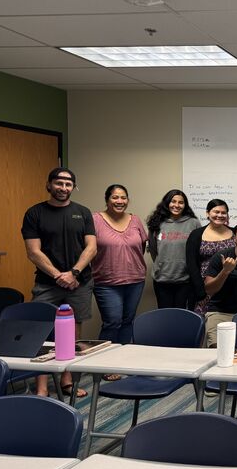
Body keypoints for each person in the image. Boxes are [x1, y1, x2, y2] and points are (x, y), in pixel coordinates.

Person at [21, 167, 97, 398]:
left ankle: (66, 380)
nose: (63, 188)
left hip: (79, 282)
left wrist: (73, 273)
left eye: (68, 184)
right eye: (59, 183)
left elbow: (91, 247)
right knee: (42, 333)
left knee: (72, 333)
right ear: (49, 184)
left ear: (73, 187)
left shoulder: (83, 212)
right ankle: (42, 387)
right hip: (47, 283)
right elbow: (33, 252)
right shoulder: (34, 213)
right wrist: (58, 275)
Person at [91, 184, 148, 351]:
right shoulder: (95, 220)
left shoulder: (135, 220)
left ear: (128, 200)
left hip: (135, 280)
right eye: (115, 197)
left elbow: (141, 246)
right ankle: (103, 360)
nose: (119, 201)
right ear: (107, 200)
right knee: (112, 322)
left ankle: (122, 358)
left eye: (123, 197)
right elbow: (87, 248)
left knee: (128, 321)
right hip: (106, 282)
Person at [146, 189, 200, 309]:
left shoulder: (193, 223)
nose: (177, 205)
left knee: (181, 314)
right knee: (165, 314)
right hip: (162, 279)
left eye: (181, 202)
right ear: (167, 203)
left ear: (185, 205)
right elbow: (154, 250)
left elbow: (197, 251)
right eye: (173, 201)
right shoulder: (157, 223)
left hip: (185, 280)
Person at [186, 199, 234, 317]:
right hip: (205, 289)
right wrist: (200, 293)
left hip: (230, 287)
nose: (220, 215)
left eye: (223, 212)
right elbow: (191, 265)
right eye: (216, 212)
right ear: (208, 213)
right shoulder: (196, 234)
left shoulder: (234, 233)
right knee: (203, 322)